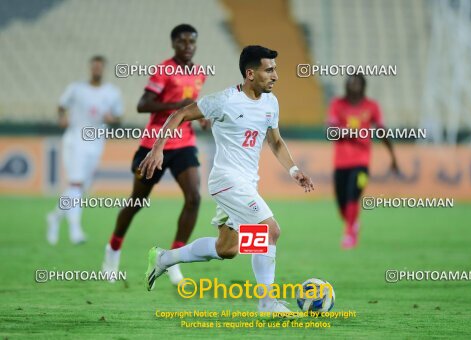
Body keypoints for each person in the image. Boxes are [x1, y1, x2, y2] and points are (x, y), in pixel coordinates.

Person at [139, 45, 314, 312]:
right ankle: (267, 304)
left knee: (227, 248)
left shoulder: (270, 102)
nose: (275, 76)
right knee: (270, 231)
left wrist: (294, 170)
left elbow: (275, 141)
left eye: (275, 70)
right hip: (226, 180)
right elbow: (180, 114)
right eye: (269, 70)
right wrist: (157, 148)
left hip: (246, 183)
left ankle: (164, 258)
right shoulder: (224, 100)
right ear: (250, 73)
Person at [101, 24, 208, 285]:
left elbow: (192, 106)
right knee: (136, 202)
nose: (187, 46)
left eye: (191, 42)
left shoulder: (200, 73)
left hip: (184, 144)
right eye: (182, 42)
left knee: (194, 198)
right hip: (154, 145)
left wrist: (200, 118)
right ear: (173, 44)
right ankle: (112, 251)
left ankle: (173, 260)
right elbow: (142, 104)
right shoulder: (164, 70)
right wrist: (176, 107)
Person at [46, 55, 123, 245]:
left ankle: (55, 217)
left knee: (81, 188)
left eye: (100, 67)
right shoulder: (77, 88)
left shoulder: (112, 92)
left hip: (96, 143)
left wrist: (112, 119)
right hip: (76, 140)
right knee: (76, 185)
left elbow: (119, 117)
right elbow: (61, 106)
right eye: (94, 67)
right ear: (90, 68)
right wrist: (62, 117)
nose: (96, 70)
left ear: (103, 69)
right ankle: (75, 231)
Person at [328, 74, 398, 249]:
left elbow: (382, 131)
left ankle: (350, 233)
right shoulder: (337, 104)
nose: (354, 86)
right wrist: (351, 132)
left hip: (362, 162)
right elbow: (330, 130)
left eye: (358, 83)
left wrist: (393, 157)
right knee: (341, 202)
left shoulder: (371, 106)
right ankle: (353, 224)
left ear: (363, 86)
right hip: (340, 163)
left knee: (353, 194)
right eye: (351, 83)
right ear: (346, 86)